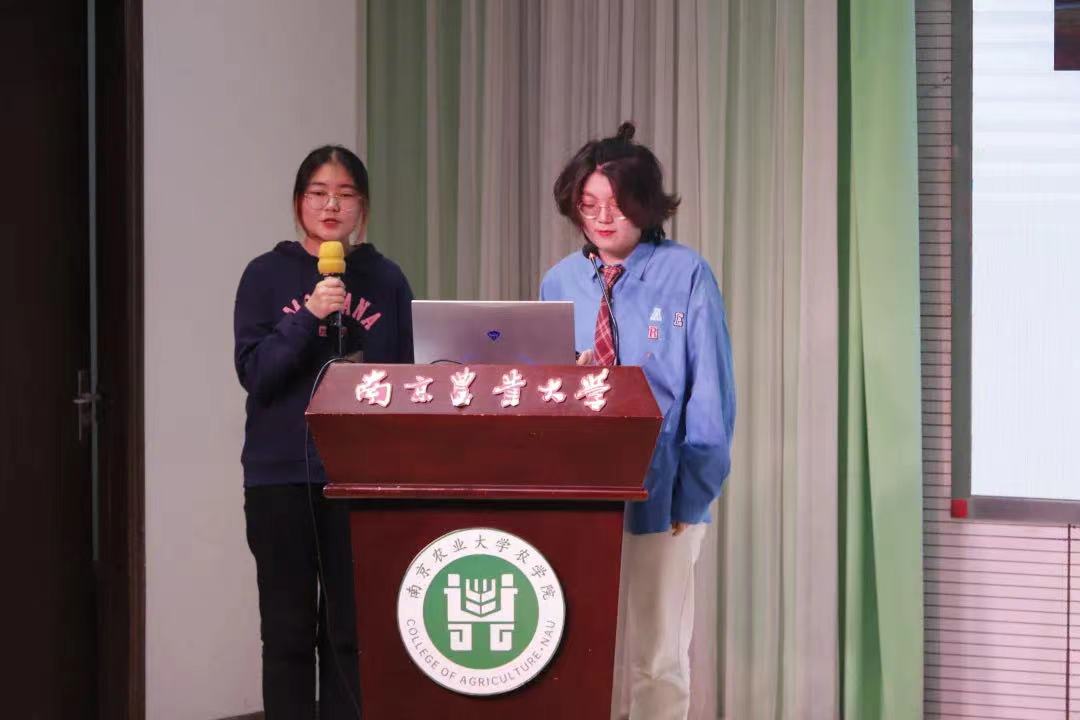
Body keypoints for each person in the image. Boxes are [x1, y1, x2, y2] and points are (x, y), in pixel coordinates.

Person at [540, 123, 736, 720]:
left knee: (656, 656)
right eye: (589, 204)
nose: (603, 218)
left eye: (618, 204)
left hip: (663, 491)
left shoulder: (686, 274)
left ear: (646, 205)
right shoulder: (559, 282)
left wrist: (691, 497)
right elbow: (542, 395)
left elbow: (711, 396)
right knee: (581, 649)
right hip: (579, 493)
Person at [233, 145, 414, 718]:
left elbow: (407, 376)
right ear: (298, 204)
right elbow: (256, 374)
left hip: (360, 479)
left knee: (350, 635)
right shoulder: (265, 276)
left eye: (345, 194)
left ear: (363, 208)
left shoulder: (386, 280)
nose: (331, 205)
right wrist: (308, 314)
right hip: (280, 476)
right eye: (318, 193)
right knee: (286, 634)